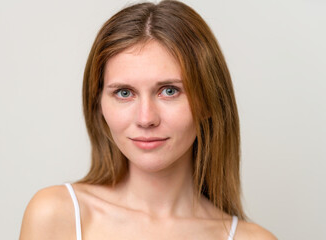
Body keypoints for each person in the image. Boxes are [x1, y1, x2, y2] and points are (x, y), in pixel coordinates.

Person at [19, 1, 277, 239]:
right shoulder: (56, 215)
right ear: (98, 105)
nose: (146, 119)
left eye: (169, 91)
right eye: (124, 93)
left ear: (208, 100)